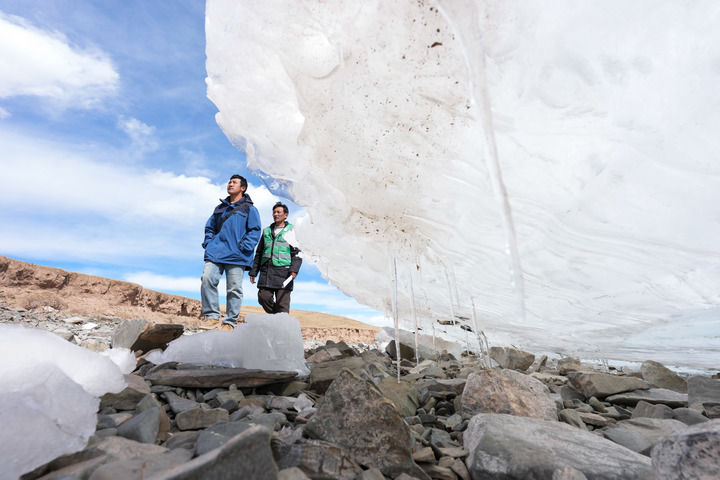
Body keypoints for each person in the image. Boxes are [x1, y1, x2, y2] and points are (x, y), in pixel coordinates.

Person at [201, 174, 261, 330]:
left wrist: (244, 246)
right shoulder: (220, 208)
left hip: (237, 254)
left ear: (243, 188)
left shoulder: (250, 209)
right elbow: (210, 227)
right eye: (229, 182)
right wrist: (209, 243)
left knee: (234, 288)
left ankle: (230, 322)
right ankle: (211, 316)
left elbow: (255, 230)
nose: (230, 184)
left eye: (234, 182)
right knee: (207, 279)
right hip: (216, 252)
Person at [249, 202, 302, 314]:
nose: (275, 214)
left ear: (286, 215)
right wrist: (253, 272)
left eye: (278, 212)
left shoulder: (292, 231)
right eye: (274, 212)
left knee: (282, 304)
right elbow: (259, 253)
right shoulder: (266, 231)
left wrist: (294, 270)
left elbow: (297, 253)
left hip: (284, 273)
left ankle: (282, 322)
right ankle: (277, 317)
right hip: (266, 272)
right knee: (263, 297)